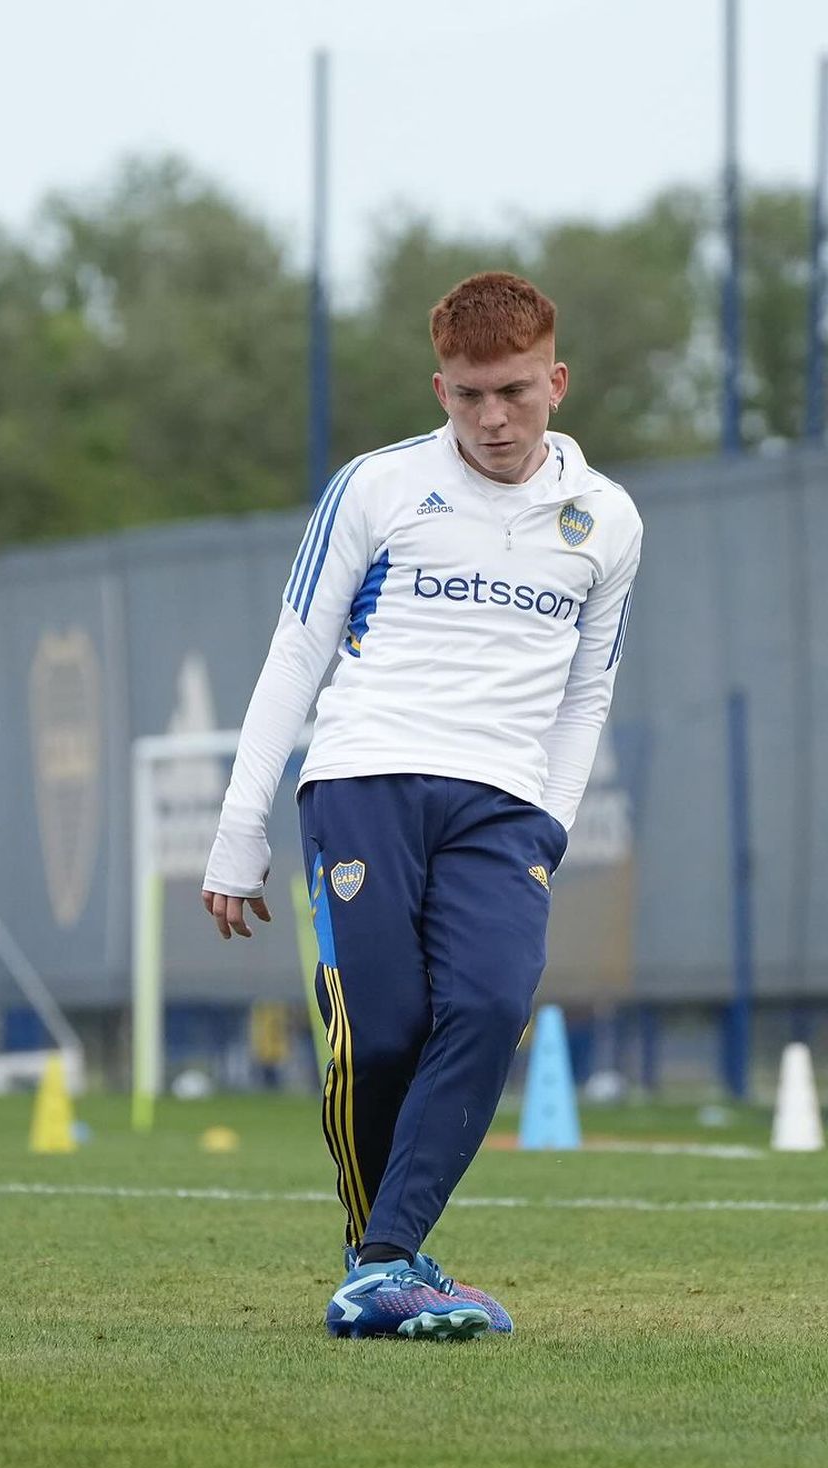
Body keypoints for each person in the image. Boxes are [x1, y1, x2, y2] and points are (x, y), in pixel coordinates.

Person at [202, 272, 642, 1340]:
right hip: (364, 780)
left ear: (558, 381)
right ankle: (383, 1257)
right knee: (385, 1032)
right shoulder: (376, 487)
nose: (494, 418)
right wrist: (236, 829)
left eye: (518, 393)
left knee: (490, 1010)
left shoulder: (608, 521)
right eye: (470, 396)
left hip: (504, 810)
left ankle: (385, 1260)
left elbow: (590, 691)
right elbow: (296, 649)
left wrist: (552, 823)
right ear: (439, 386)